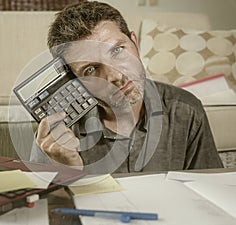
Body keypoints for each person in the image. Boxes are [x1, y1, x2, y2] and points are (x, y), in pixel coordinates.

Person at [30, 1, 223, 174]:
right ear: (74, 80)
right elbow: (44, 208)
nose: (115, 76)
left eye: (117, 50)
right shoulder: (57, 131)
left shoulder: (186, 111)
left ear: (135, 42)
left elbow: (212, 195)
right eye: (90, 69)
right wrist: (69, 170)